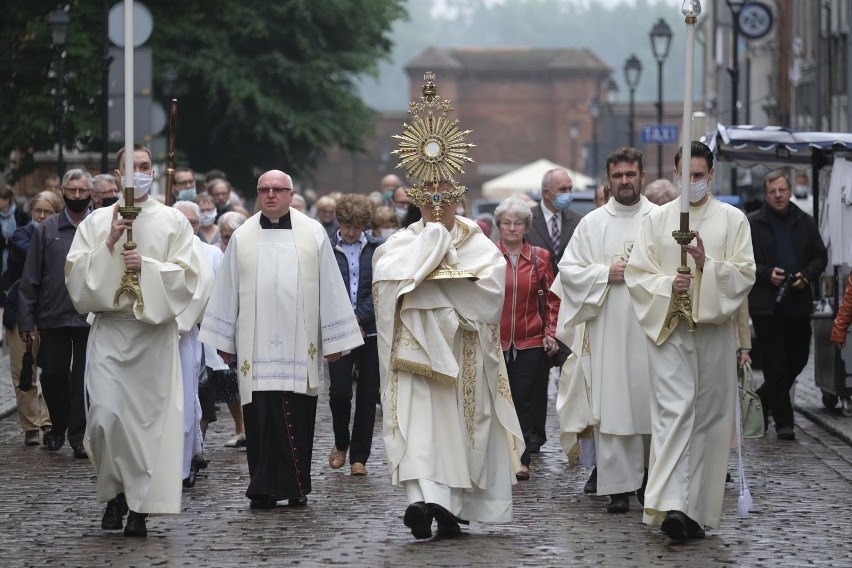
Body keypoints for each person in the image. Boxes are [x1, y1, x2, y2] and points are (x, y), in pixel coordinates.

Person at [66, 144, 211, 537]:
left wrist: (146, 267)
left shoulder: (173, 222)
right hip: (112, 332)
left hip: (151, 336)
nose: (139, 173)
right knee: (106, 419)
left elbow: (191, 278)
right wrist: (110, 243)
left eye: (145, 166)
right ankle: (113, 491)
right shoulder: (96, 222)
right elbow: (76, 281)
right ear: (116, 176)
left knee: (147, 426)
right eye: (131, 167)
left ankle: (138, 508)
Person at [199, 169, 363, 510]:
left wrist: (335, 342)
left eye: (278, 189)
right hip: (254, 348)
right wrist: (224, 339)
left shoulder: (312, 233)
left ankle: (295, 485)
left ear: (290, 194)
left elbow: (331, 288)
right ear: (258, 194)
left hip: (299, 345)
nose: (271, 195)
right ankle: (262, 487)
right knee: (259, 418)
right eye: (265, 190)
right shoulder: (243, 236)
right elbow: (227, 289)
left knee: (297, 416)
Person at [625, 141, 755, 540]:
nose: (692, 182)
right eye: (685, 175)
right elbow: (638, 273)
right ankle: (671, 506)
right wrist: (669, 284)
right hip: (670, 332)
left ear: (711, 174)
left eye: (699, 176)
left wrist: (705, 266)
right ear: (675, 172)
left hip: (713, 332)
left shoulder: (733, 220)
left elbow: (745, 273)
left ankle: (697, 509)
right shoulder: (657, 219)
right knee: (674, 413)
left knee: (710, 421)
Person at [556, 147, 655, 514]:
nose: (625, 181)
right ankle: (617, 487)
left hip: (651, 331)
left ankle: (649, 482)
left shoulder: (661, 219)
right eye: (618, 176)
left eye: (631, 174)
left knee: (650, 406)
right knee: (613, 407)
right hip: (608, 329)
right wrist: (604, 274)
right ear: (608, 181)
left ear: (642, 176)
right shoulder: (593, 223)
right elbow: (569, 271)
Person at [19, 169, 93, 459]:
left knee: (83, 379)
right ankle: (58, 426)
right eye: (72, 190)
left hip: (89, 316)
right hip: (53, 315)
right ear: (63, 191)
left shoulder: (99, 225)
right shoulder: (46, 230)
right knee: (52, 375)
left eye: (82, 191)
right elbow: (31, 278)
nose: (77, 195)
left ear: (90, 192)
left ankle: (78, 436)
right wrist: (27, 319)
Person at [747, 170, 827, 440]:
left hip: (797, 301)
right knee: (774, 364)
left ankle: (762, 400)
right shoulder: (753, 224)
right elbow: (743, 262)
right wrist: (765, 273)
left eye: (782, 190)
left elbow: (820, 256)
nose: (778, 195)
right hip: (766, 304)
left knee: (799, 358)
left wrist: (806, 275)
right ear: (766, 194)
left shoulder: (805, 221)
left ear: (790, 190)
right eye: (773, 191)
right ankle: (784, 422)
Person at [516, 168, 581, 453]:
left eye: (570, 188)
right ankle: (532, 435)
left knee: (573, 375)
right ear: (546, 193)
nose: (568, 193)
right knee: (535, 377)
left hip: (571, 308)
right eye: (562, 189)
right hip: (535, 308)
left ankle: (577, 436)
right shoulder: (527, 220)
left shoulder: (579, 221)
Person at [494, 197, 559, 481]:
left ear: (526, 227)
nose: (511, 228)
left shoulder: (539, 257)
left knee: (524, 402)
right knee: (496, 402)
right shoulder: (487, 255)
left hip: (530, 340)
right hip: (494, 341)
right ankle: (495, 459)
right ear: (498, 226)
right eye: (506, 223)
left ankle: (520, 460)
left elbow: (554, 299)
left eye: (517, 223)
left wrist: (551, 333)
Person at [327, 194, 383, 476]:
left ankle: (359, 456)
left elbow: (379, 288)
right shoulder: (326, 247)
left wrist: (360, 317)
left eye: (356, 227)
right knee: (338, 391)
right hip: (338, 331)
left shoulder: (377, 249)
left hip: (370, 331)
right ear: (340, 222)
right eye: (347, 226)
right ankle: (340, 440)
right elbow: (323, 287)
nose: (351, 232)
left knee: (368, 393)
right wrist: (345, 321)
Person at [4, 191, 62, 445]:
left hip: (52, 312)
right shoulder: (21, 235)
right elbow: (38, 257)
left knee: (53, 372)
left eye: (47, 212)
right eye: (37, 211)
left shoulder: (65, 235)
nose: (41, 216)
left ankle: (51, 423)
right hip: (21, 311)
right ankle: (30, 426)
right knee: (24, 370)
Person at [173, 200, 222, 488]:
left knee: (190, 394)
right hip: (156, 331)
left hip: (188, 330)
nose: (186, 227)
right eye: (181, 221)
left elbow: (207, 292)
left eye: (192, 223)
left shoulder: (207, 253)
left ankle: (190, 456)